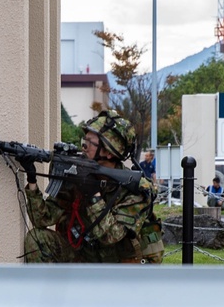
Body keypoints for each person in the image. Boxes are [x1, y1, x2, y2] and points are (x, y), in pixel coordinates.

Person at [19, 109, 163, 264]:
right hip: (86, 255)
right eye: (84, 141)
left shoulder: (135, 189)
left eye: (90, 143)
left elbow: (111, 235)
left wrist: (93, 193)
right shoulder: (80, 173)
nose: (84, 147)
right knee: (37, 239)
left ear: (109, 152)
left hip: (122, 267)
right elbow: (43, 219)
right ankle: (43, 289)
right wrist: (32, 178)